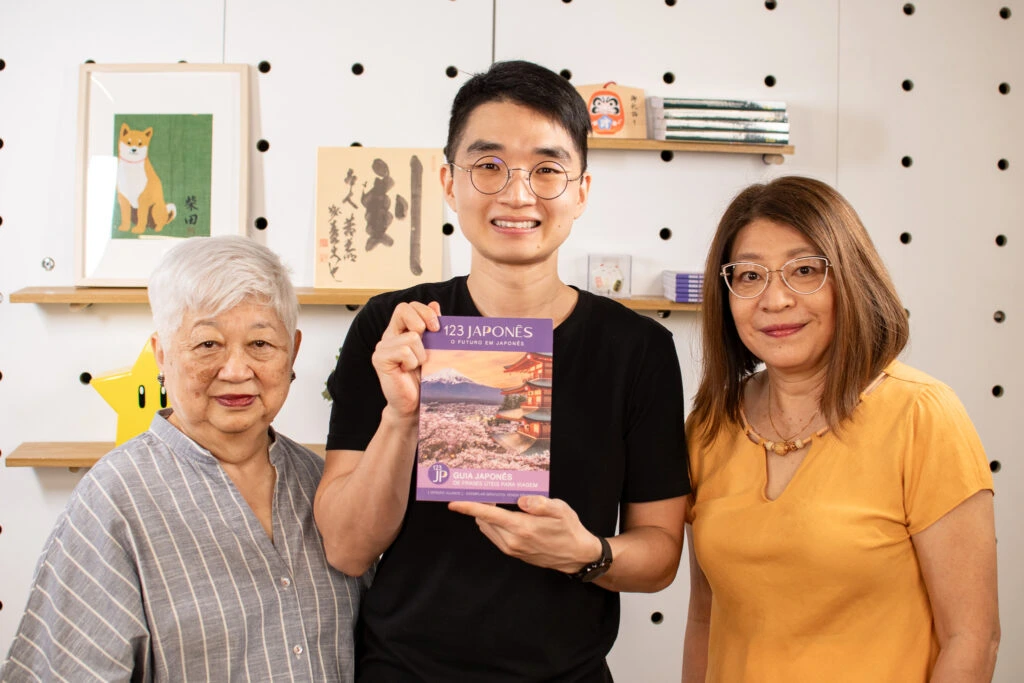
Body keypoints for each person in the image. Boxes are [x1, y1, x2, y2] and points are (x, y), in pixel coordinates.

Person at [315, 59, 691, 681]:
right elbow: (348, 549)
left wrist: (587, 554)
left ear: (581, 191)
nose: (517, 194)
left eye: (547, 169)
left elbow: (660, 556)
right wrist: (402, 418)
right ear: (449, 182)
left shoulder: (638, 349)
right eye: (488, 166)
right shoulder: (394, 328)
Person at [1, 236, 370, 682]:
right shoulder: (115, 500)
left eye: (260, 343)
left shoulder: (323, 485)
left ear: (292, 349)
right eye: (208, 344)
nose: (237, 371)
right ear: (161, 354)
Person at [682, 176, 999, 682]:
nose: (775, 299)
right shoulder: (710, 425)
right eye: (749, 276)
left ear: (851, 278)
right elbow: (704, 617)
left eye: (805, 270)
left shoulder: (922, 415)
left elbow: (972, 638)